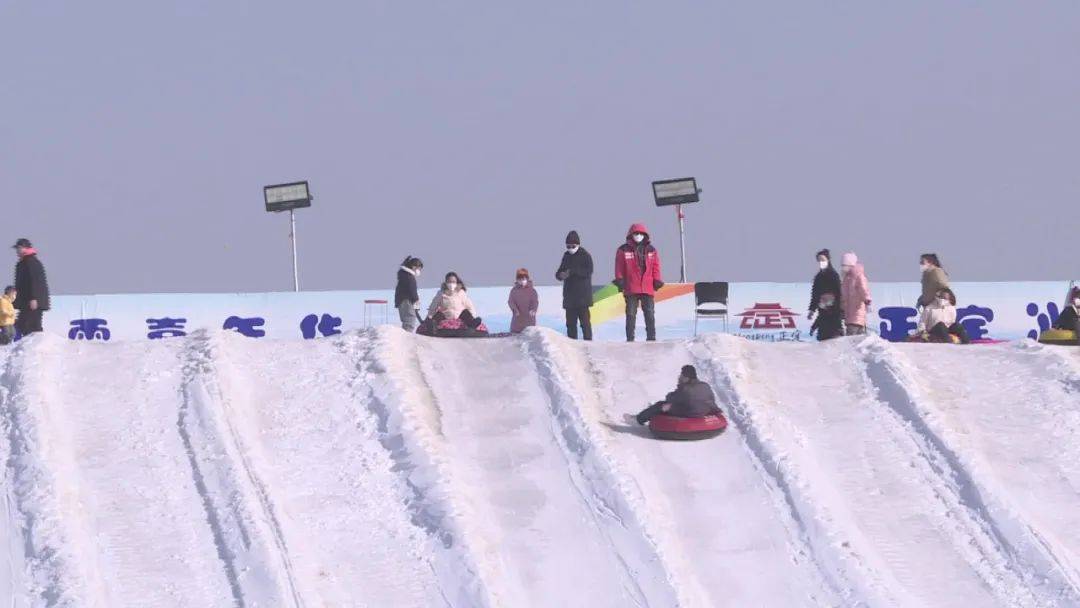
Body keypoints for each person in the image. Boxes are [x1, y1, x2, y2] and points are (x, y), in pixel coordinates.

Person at [614, 223, 663, 342]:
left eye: (641, 234)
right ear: (631, 235)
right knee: (630, 314)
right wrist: (620, 280)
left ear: (645, 235)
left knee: (650, 314)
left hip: (647, 287)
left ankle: (651, 338)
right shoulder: (623, 250)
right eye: (636, 233)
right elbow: (619, 267)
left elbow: (656, 267)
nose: (638, 236)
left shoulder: (652, 250)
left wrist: (657, 279)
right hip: (631, 287)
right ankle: (630, 338)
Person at [629, 365, 720, 425]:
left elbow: (670, 399)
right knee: (682, 402)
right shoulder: (705, 385)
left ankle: (639, 419)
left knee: (661, 405)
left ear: (686, 377)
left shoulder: (685, 389)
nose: (680, 377)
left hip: (690, 412)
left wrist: (676, 389)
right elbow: (711, 400)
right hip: (704, 411)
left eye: (682, 375)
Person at [556, 230, 594, 340]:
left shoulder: (585, 255)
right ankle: (571, 346)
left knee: (585, 323)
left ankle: (588, 344)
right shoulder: (566, 256)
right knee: (570, 325)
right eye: (568, 246)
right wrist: (560, 275)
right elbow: (559, 272)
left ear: (578, 244)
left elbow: (588, 271)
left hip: (583, 297)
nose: (570, 248)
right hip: (569, 298)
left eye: (573, 246)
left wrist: (573, 271)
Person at [13, 239, 49, 336]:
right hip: (26, 301)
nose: (17, 251)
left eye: (19, 248)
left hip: (33, 301)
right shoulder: (24, 262)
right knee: (22, 324)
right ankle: (30, 347)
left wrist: (34, 298)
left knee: (32, 326)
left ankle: (38, 348)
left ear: (26, 248)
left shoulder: (31, 262)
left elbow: (35, 281)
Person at [840, 252, 872, 335]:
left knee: (852, 339)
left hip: (857, 313)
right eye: (842, 265)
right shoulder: (847, 278)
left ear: (850, 265)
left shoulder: (858, 276)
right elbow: (844, 297)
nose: (843, 267)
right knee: (853, 339)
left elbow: (864, 289)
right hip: (849, 315)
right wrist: (841, 308)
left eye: (845, 265)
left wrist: (867, 300)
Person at [808, 249, 842, 321]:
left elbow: (839, 292)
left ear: (828, 260)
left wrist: (840, 309)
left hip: (834, 311)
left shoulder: (833, 275)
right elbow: (815, 294)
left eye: (823, 260)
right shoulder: (818, 277)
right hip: (822, 310)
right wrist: (812, 310)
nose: (821, 262)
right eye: (819, 260)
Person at [395, 256, 424, 332]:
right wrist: (416, 302)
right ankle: (406, 340)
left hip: (403, 301)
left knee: (407, 321)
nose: (419, 271)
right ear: (414, 267)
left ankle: (405, 339)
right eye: (419, 269)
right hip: (407, 301)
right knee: (409, 321)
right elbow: (412, 291)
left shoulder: (404, 275)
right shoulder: (409, 277)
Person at [508, 268, 539, 334]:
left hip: (529, 321)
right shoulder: (514, 291)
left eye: (524, 278)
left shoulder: (532, 291)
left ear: (527, 279)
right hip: (517, 323)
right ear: (517, 279)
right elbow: (511, 301)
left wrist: (533, 309)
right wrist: (515, 310)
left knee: (529, 336)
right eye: (520, 278)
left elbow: (535, 302)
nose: (522, 280)